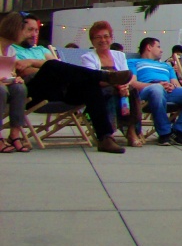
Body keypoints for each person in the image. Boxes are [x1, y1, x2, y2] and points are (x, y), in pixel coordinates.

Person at [7, 11, 130, 154]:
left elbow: (59, 66)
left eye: (36, 30)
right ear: (19, 31)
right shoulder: (11, 49)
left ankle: (105, 138)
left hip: (59, 89)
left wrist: (32, 62)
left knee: (89, 84)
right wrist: (42, 65)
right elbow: (27, 71)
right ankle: (102, 76)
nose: (34, 34)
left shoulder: (40, 49)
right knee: (51, 66)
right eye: (30, 30)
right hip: (33, 92)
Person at [128, 37, 182, 146]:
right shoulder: (133, 62)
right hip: (147, 90)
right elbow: (132, 83)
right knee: (156, 89)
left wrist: (172, 86)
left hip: (168, 91)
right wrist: (156, 85)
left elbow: (177, 85)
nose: (161, 50)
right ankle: (165, 133)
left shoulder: (166, 66)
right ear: (148, 47)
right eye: (158, 47)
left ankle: (178, 132)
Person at [81, 20, 142, 148]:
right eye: (98, 37)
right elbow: (94, 79)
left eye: (106, 36)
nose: (103, 40)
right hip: (99, 91)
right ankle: (108, 132)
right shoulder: (88, 57)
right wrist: (117, 85)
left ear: (111, 38)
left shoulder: (119, 55)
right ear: (92, 41)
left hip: (121, 89)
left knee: (131, 90)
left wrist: (124, 86)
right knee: (110, 91)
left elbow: (126, 74)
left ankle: (131, 131)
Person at [0, 12, 30, 153]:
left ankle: (14, 135)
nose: (26, 35)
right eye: (25, 30)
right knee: (1, 90)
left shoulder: (11, 50)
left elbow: (9, 72)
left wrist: (15, 77)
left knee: (20, 88)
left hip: (4, 83)